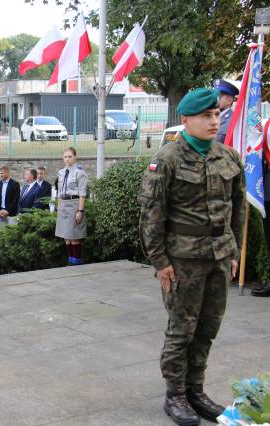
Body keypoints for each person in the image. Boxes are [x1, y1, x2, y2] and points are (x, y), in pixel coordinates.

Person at [137, 88, 245, 426]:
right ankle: (176, 395)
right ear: (186, 120)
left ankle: (196, 391)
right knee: (182, 329)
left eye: (216, 115)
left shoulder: (227, 156)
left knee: (207, 328)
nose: (214, 121)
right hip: (182, 261)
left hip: (217, 257)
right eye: (206, 116)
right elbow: (151, 214)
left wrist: (234, 252)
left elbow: (238, 209)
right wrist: (160, 262)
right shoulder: (167, 159)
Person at [55, 148, 88, 265]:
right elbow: (59, 191)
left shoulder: (80, 173)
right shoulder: (61, 172)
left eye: (70, 156)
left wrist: (80, 210)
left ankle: (77, 262)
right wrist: (59, 206)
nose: (67, 159)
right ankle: (70, 260)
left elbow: (82, 194)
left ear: (75, 157)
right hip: (63, 204)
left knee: (74, 236)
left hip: (74, 204)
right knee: (66, 237)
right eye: (65, 157)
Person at [214, 79, 239, 144]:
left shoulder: (234, 120)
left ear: (229, 100)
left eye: (218, 97)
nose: (215, 99)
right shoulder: (212, 117)